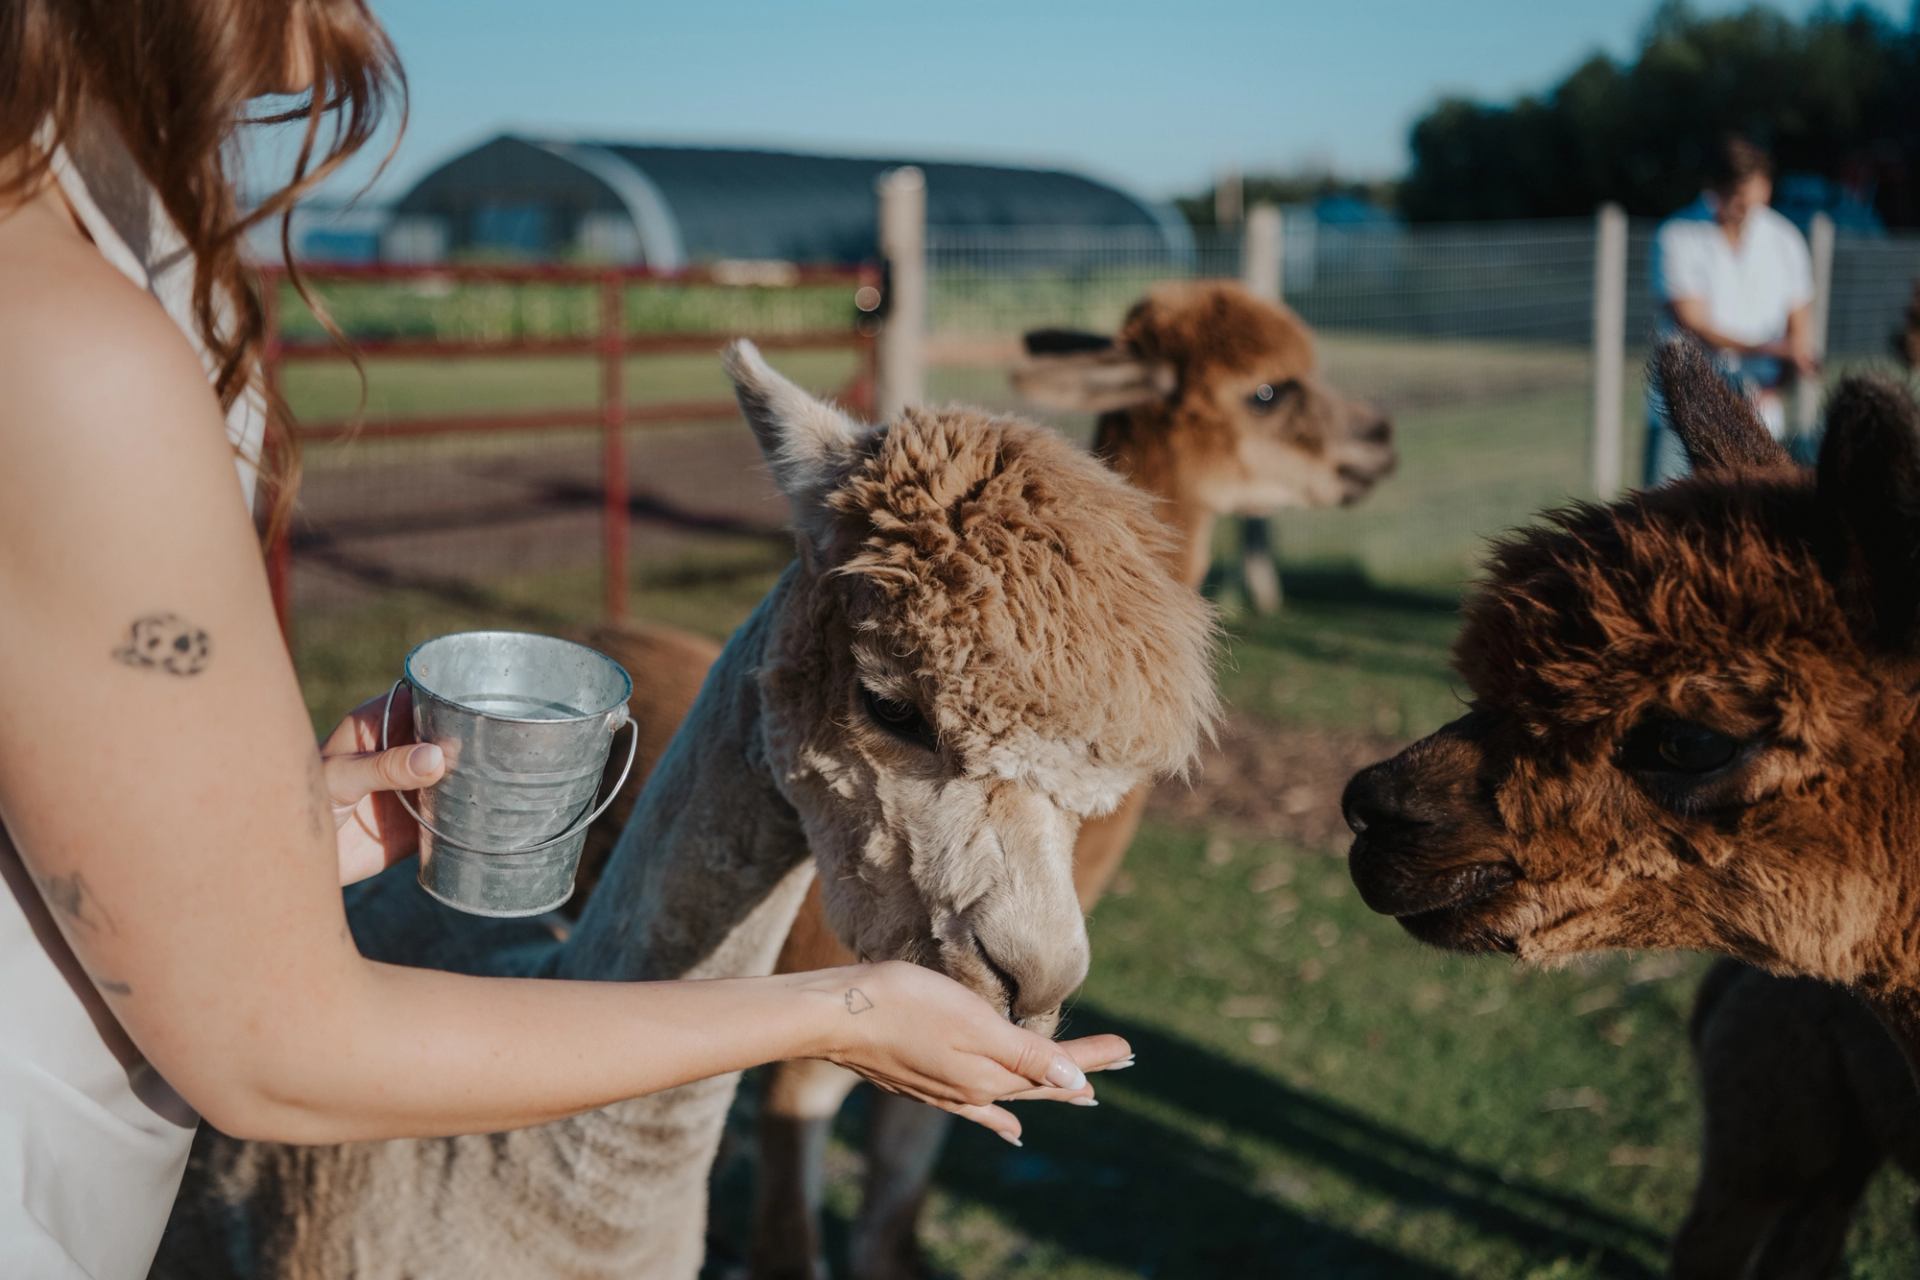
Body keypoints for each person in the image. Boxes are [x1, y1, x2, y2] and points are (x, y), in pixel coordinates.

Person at [0, 5, 1127, 1276]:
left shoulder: (82, 247)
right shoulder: (70, 331)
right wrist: (836, 1007)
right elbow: (277, 1049)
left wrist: (249, 824)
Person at [1646, 135, 1819, 485]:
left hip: (1760, 412)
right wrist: (1772, 349)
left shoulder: (1786, 240)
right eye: (1738, 201)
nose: (1747, 210)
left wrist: (1785, 372)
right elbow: (1693, 322)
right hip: (1687, 408)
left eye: (1755, 199)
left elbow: (1799, 324)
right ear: (1716, 191)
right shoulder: (1678, 235)